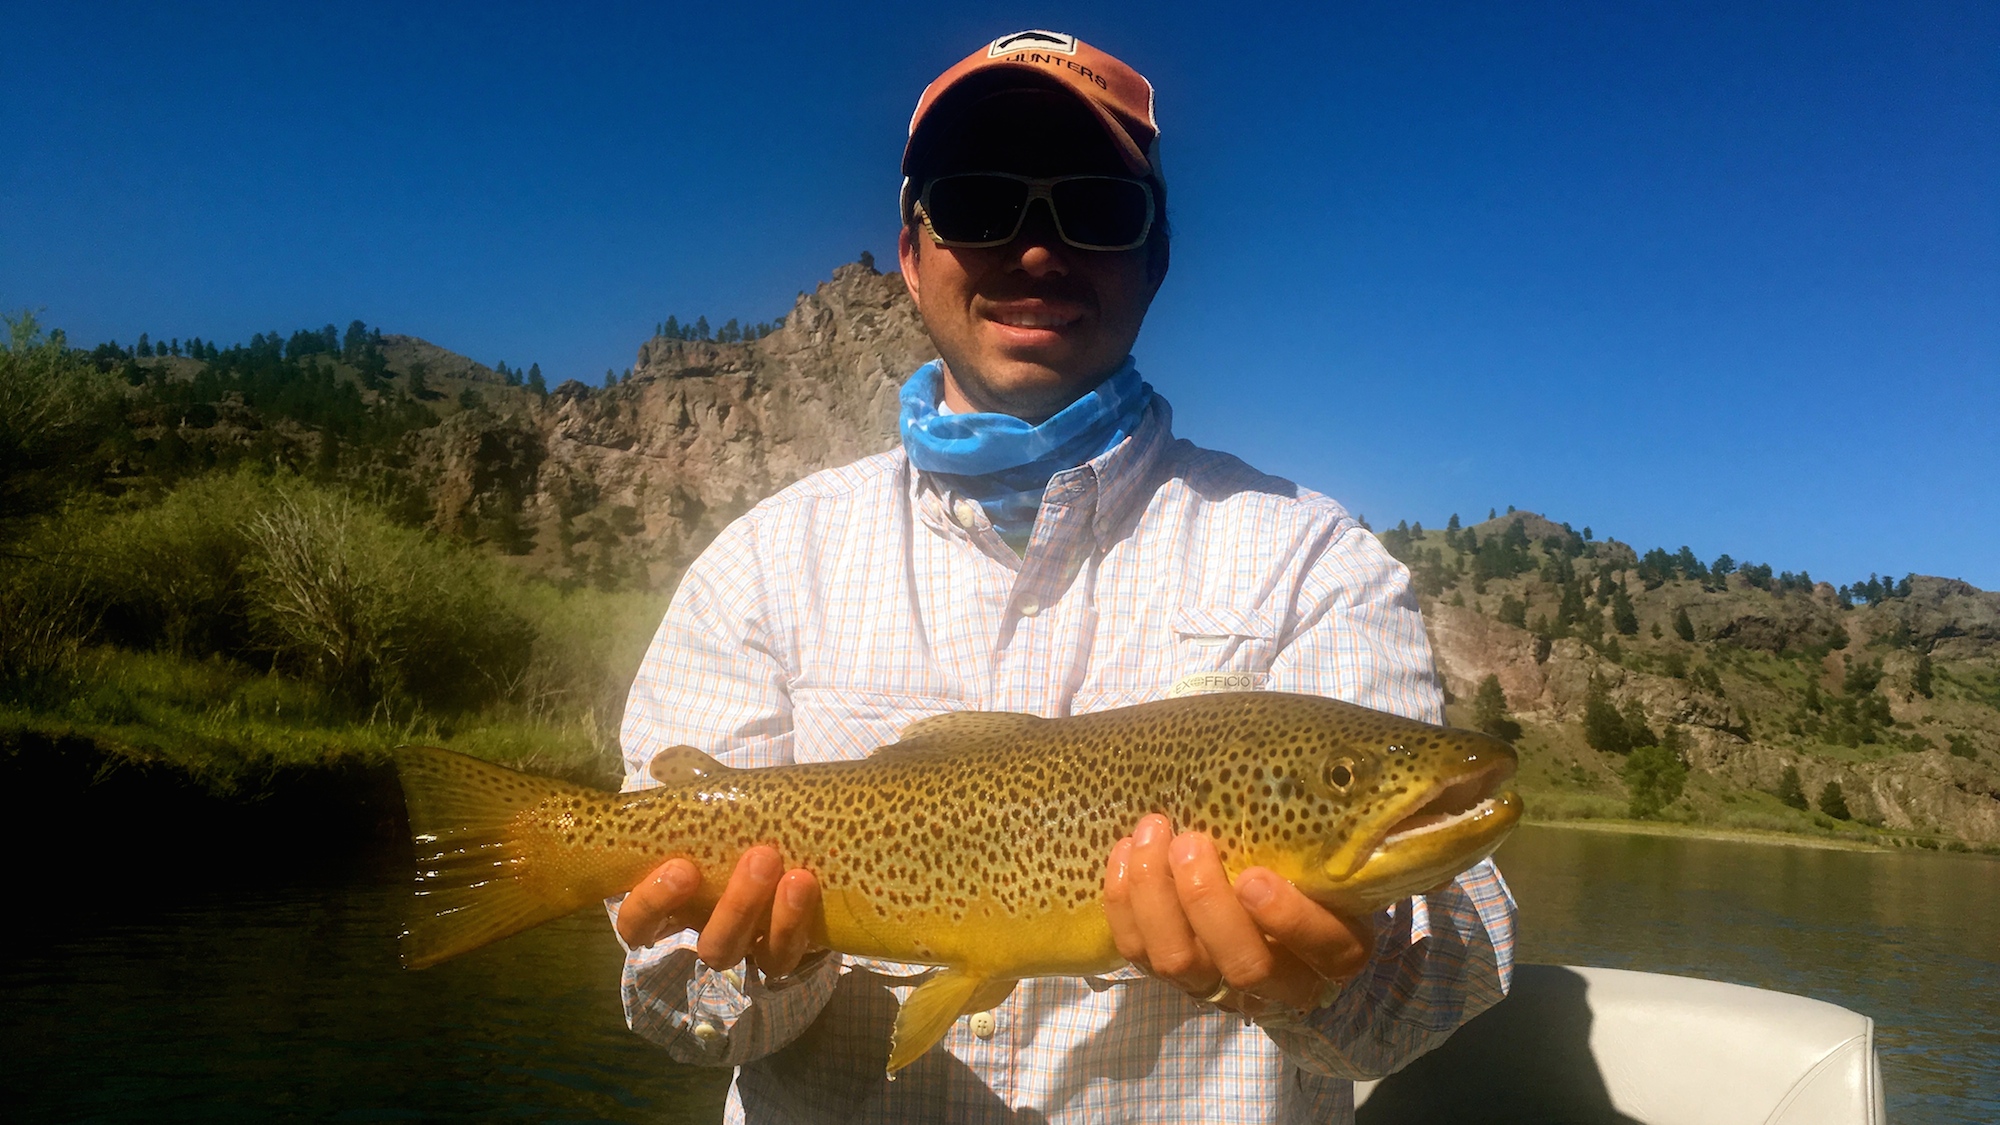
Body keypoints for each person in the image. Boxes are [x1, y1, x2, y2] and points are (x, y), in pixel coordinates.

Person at [608, 29, 1515, 1124]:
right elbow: (674, 1006)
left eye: (1093, 210)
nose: (1035, 251)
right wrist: (760, 960)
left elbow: (1448, 964)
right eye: (981, 204)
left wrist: (1338, 975)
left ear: (1155, 257)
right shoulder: (760, 563)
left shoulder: (1314, 563)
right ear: (910, 251)